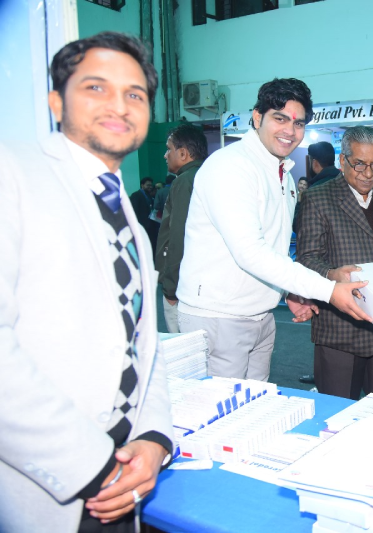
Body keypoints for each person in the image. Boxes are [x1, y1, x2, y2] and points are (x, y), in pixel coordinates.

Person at [0, 32, 173, 531]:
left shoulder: (126, 212)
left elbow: (141, 344)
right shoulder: (13, 174)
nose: (119, 105)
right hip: (50, 487)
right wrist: (92, 466)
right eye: (96, 87)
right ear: (57, 102)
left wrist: (154, 438)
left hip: (125, 479)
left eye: (134, 94)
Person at [177, 78, 370, 382]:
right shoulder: (230, 167)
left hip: (260, 315)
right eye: (280, 119)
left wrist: (289, 291)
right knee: (222, 410)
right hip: (219, 317)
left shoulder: (283, 175)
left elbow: (273, 249)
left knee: (256, 405)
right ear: (257, 118)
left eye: (298, 123)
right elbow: (250, 252)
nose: (290, 131)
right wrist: (328, 290)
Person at [295, 126, 373, 400]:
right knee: (338, 411)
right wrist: (331, 273)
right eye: (359, 164)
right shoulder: (318, 199)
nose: (368, 173)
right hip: (340, 330)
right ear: (343, 161)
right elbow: (306, 259)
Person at [155, 123, 208, 333]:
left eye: (169, 149)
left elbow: (179, 236)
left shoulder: (184, 182)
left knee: (183, 345)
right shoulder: (209, 175)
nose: (165, 155)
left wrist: (170, 286)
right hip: (203, 283)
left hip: (183, 286)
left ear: (183, 153)